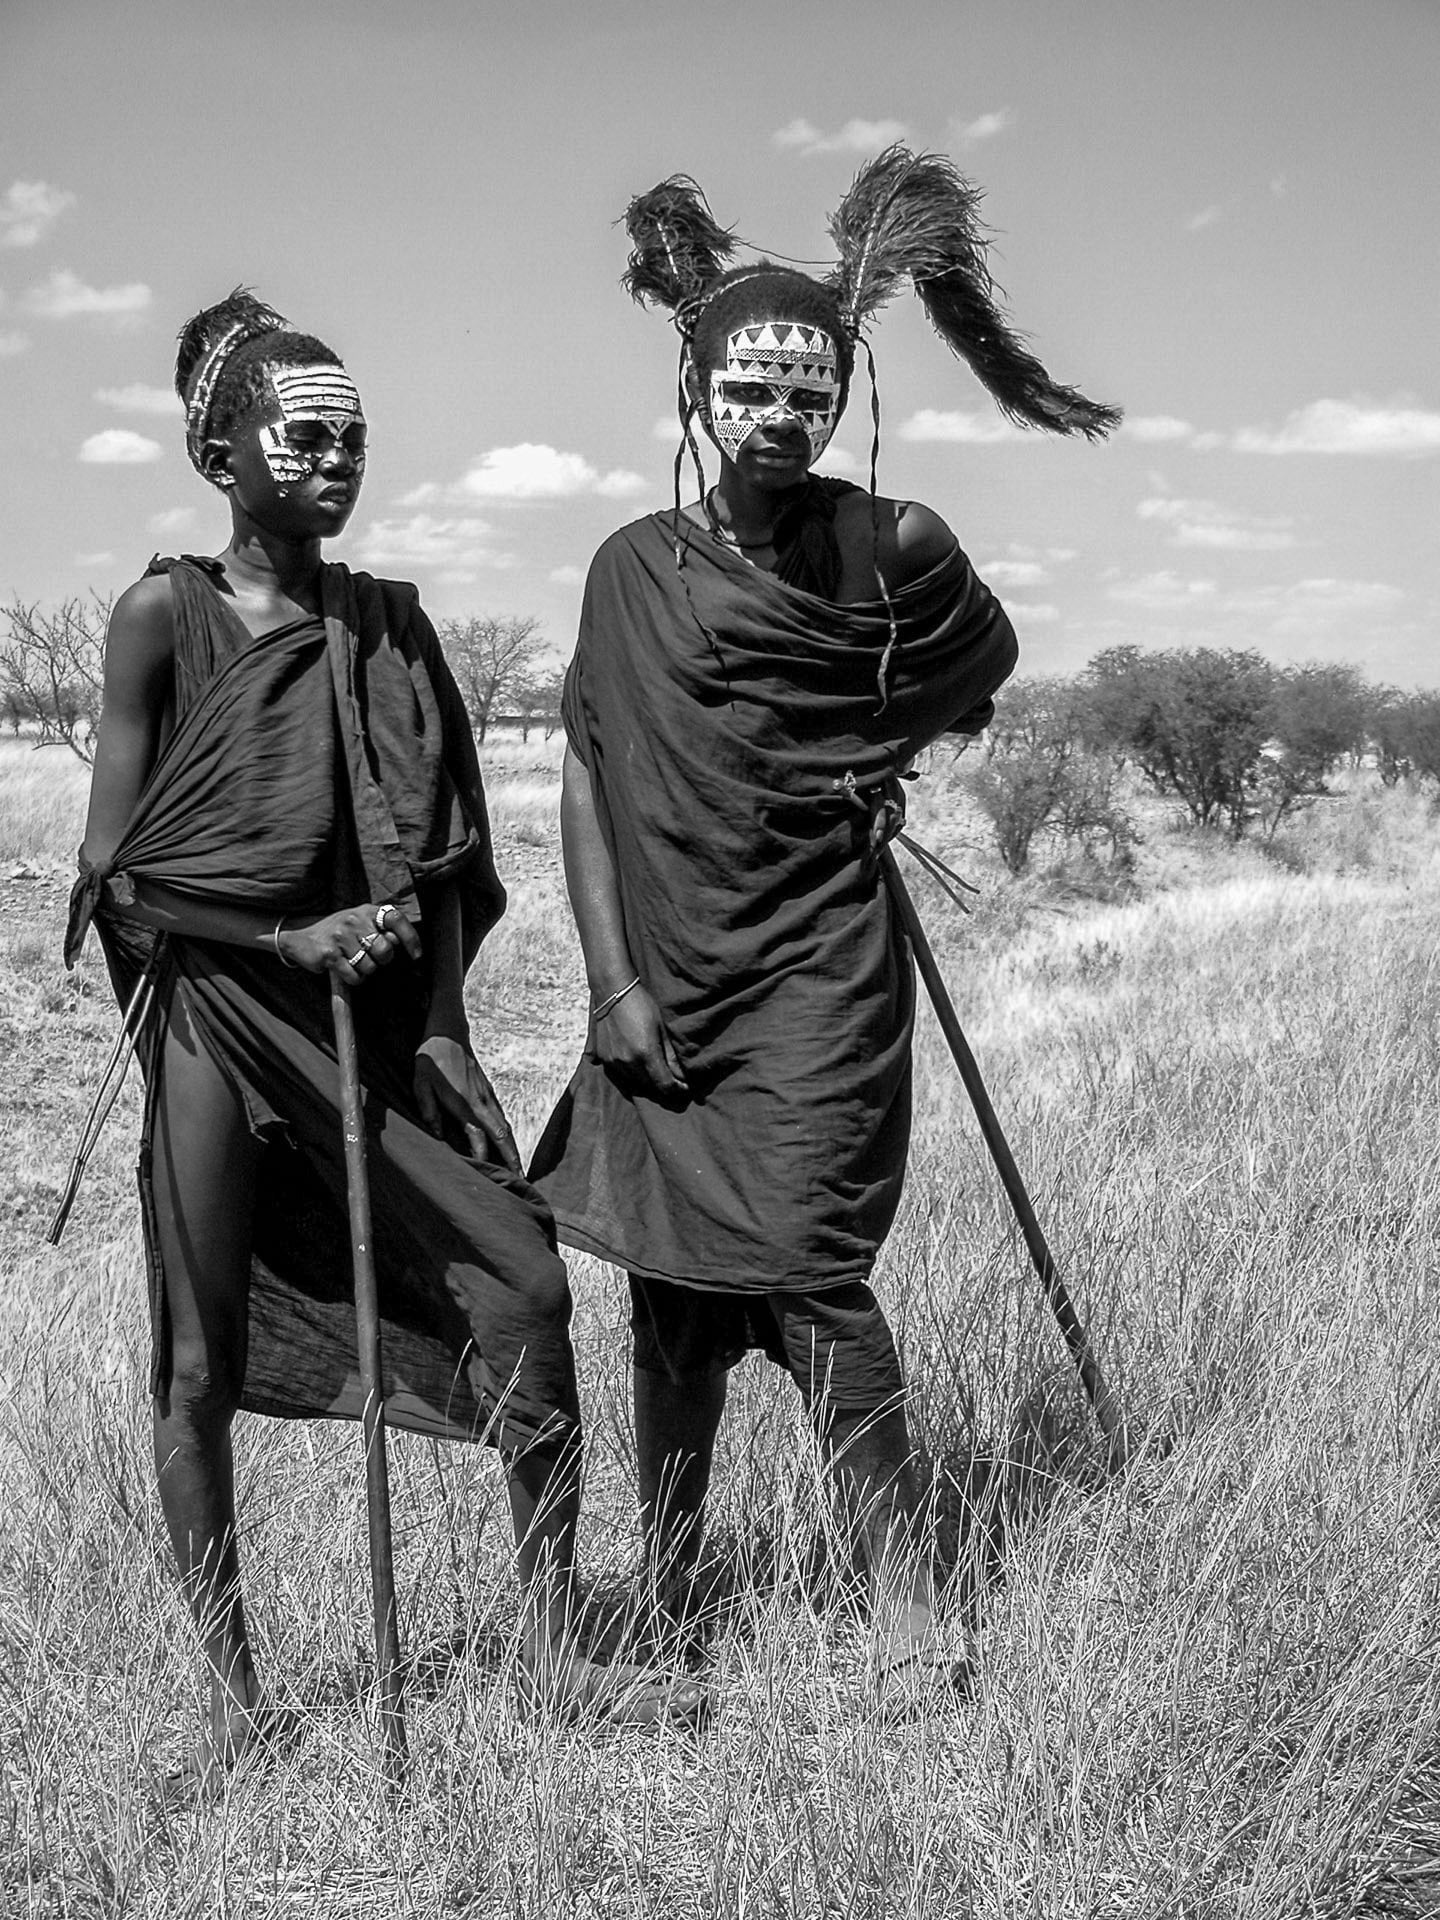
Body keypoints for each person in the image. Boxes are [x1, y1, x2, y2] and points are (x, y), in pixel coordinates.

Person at [69, 290, 690, 1784]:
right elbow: (117, 877)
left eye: (355, 437)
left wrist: (444, 1029)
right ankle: (237, 1698)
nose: (338, 460)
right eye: (307, 436)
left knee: (526, 1285)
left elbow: (439, 854)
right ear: (225, 452)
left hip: (371, 1025)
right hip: (221, 1018)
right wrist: (281, 937)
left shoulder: (390, 623)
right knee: (200, 1359)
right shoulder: (166, 616)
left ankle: (555, 1645)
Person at [530, 149, 1119, 1696]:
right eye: (753, 391)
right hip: (665, 976)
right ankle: (672, 1581)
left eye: (810, 394)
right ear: (700, 400)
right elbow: (588, 778)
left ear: (843, 399)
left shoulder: (895, 543)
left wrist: (878, 754)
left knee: (805, 1269)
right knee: (667, 1287)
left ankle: (911, 1610)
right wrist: (609, 985)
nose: (780, 419)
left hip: (818, 968)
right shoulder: (630, 567)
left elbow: (977, 662)